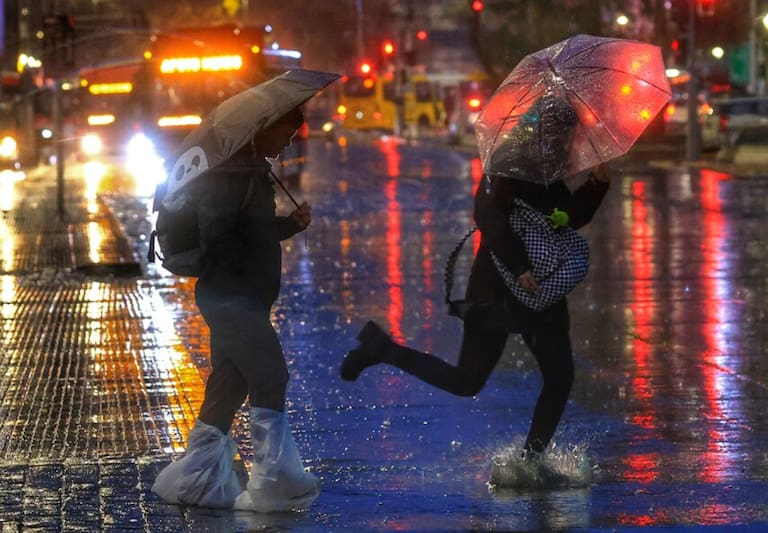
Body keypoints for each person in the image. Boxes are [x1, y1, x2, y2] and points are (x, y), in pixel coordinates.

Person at [340, 94, 609, 460]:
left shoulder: (550, 169)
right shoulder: (509, 163)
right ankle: (383, 349)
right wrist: (518, 266)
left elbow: (562, 219)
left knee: (560, 376)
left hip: (543, 288)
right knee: (467, 380)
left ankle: (531, 460)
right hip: (500, 285)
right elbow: (487, 215)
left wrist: (596, 186)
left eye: (569, 133)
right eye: (562, 132)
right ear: (544, 129)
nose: (567, 141)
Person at [152, 106, 320, 512]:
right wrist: (241, 274)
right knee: (270, 375)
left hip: (241, 299)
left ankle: (198, 479)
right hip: (231, 299)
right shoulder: (231, 176)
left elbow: (253, 233)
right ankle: (273, 481)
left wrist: (290, 225)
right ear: (263, 126)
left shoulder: (249, 171)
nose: (290, 140)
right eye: (286, 130)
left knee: (229, 385)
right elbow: (220, 238)